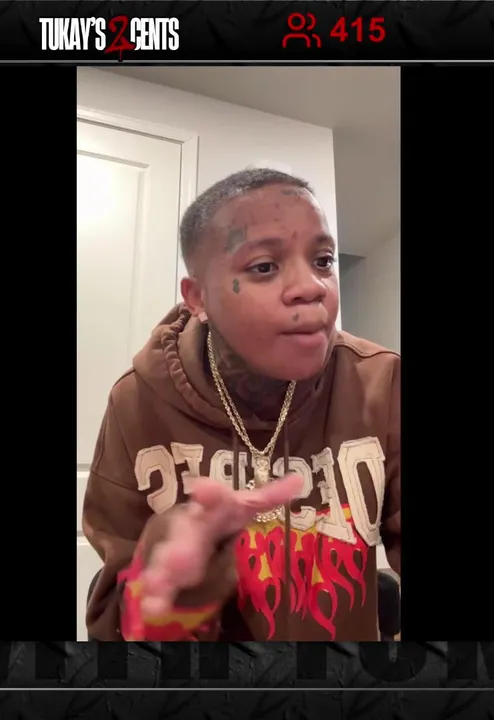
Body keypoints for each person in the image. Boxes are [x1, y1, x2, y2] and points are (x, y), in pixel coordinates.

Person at [83, 168, 400, 642]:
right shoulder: (137, 403)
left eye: (323, 260)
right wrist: (175, 591)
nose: (312, 286)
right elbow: (115, 632)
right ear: (198, 298)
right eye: (264, 266)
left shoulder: (381, 383)